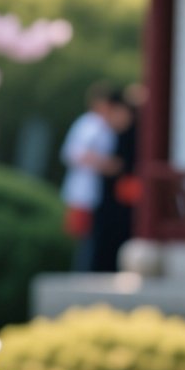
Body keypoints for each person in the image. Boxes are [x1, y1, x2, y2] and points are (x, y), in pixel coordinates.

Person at [61, 82, 120, 272]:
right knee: (84, 239)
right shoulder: (88, 124)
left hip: (101, 193)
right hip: (84, 192)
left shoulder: (109, 125)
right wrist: (104, 164)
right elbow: (73, 153)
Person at [87, 85, 139, 273]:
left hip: (125, 203)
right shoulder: (108, 133)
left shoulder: (136, 132)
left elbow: (123, 165)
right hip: (109, 201)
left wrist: (97, 162)